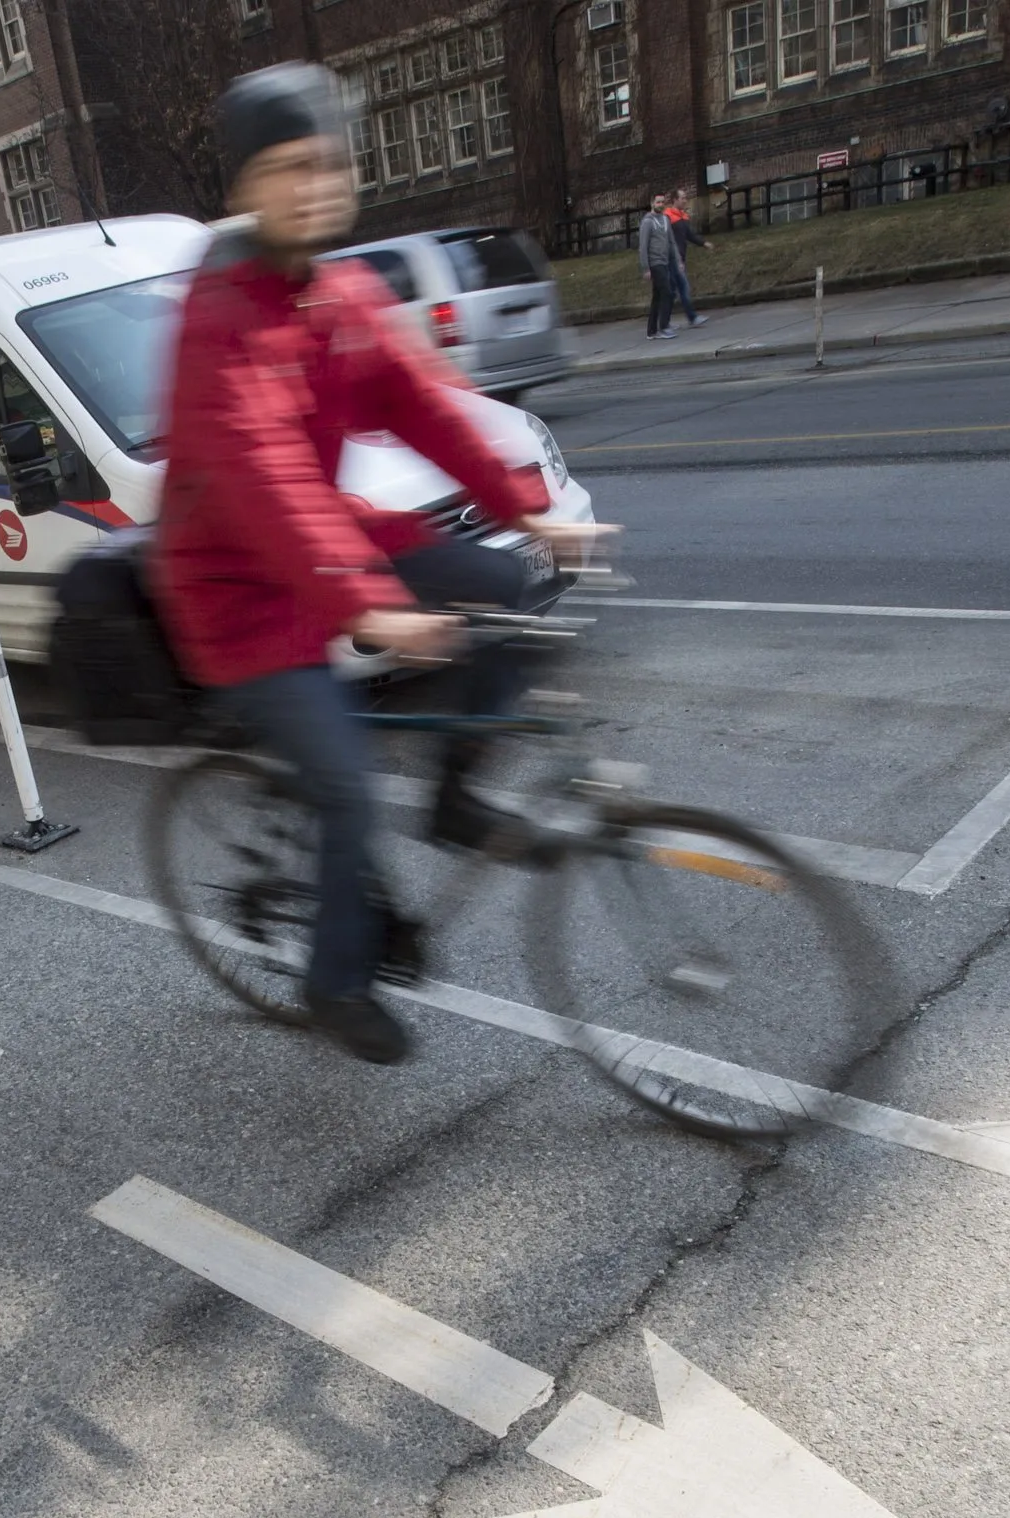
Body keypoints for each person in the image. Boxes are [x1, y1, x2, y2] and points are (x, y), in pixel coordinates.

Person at [155, 63, 606, 1066]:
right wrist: (368, 606)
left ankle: (453, 796)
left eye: (327, 163)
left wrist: (529, 512)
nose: (313, 185)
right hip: (237, 595)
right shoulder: (217, 319)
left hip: (324, 541)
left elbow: (424, 404)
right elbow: (263, 477)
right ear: (241, 189)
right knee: (350, 784)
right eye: (285, 168)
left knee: (505, 586)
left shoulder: (340, 290)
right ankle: (331, 982)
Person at [637, 193, 680, 340]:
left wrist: (678, 260)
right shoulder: (648, 222)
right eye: (658, 202)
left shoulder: (665, 220)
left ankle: (651, 331)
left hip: (665, 261)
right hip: (655, 263)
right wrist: (645, 268)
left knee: (657, 296)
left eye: (663, 202)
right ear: (652, 204)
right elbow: (643, 246)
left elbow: (672, 242)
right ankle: (663, 326)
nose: (661, 204)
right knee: (667, 292)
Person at [666, 188, 710, 329]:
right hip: (672, 260)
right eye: (682, 198)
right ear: (675, 200)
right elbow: (665, 239)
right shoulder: (668, 217)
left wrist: (703, 243)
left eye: (685, 198)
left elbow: (689, 235)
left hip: (680, 260)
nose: (685, 200)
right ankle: (691, 318)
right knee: (682, 288)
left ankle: (663, 322)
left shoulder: (683, 217)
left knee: (672, 292)